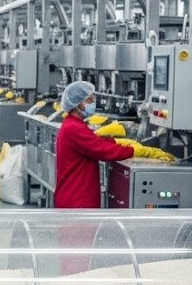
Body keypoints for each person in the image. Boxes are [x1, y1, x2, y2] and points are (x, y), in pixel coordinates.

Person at [54, 80, 173, 209]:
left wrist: (117, 141)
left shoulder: (73, 125)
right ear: (78, 104)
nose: (93, 103)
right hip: (77, 201)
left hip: (75, 197)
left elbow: (95, 142)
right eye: (89, 100)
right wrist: (136, 151)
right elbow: (104, 151)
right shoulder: (74, 128)